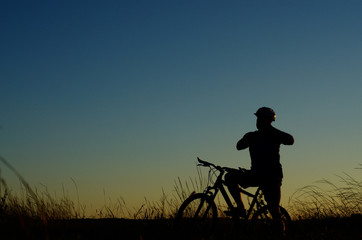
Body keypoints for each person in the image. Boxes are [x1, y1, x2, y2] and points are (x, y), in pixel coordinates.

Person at [225, 107, 294, 219]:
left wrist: (270, 130)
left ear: (265, 120)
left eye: (259, 119)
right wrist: (255, 136)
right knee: (229, 177)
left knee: (274, 210)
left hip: (271, 177)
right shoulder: (253, 135)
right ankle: (241, 209)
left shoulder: (273, 134)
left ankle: (280, 232)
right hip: (258, 174)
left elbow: (290, 140)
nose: (257, 122)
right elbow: (239, 146)